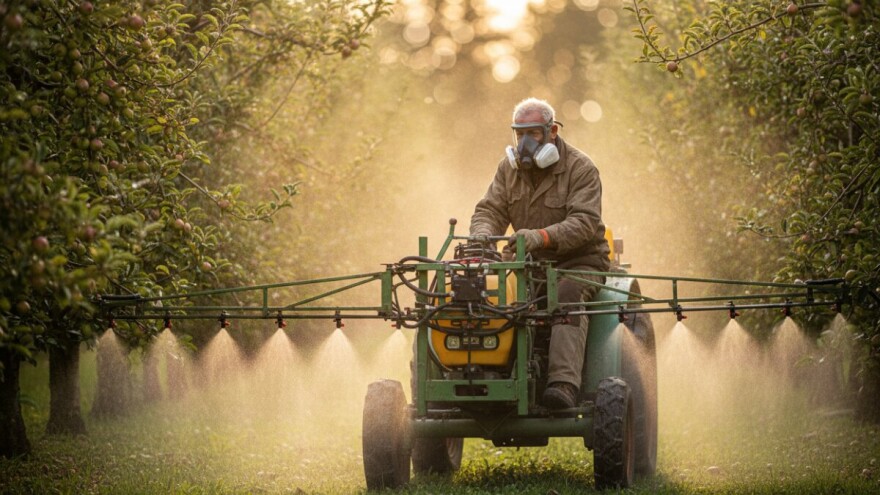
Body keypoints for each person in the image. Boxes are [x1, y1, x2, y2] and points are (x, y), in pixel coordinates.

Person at [469, 97, 610, 410]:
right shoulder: (508, 169)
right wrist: (482, 237)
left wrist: (541, 237)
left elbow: (585, 223)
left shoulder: (581, 168)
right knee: (485, 293)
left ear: (553, 131)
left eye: (533, 134)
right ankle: (488, 373)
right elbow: (489, 209)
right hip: (525, 261)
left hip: (579, 260)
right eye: (519, 135)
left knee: (567, 295)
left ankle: (563, 384)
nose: (524, 143)